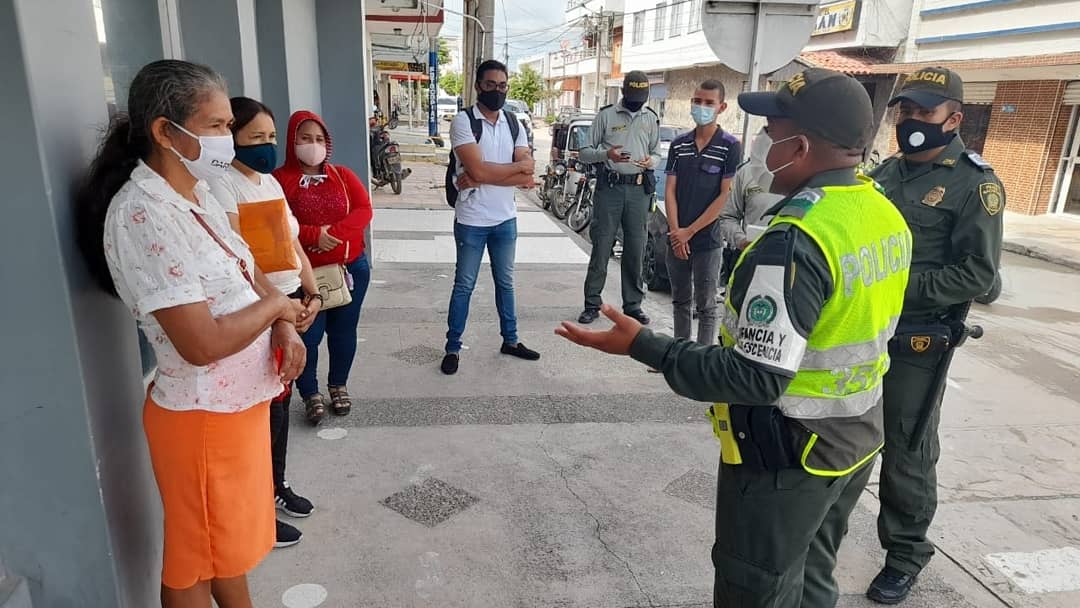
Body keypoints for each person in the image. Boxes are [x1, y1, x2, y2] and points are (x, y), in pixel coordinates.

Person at [557, 68, 914, 608]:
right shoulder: (882, 212)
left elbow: (756, 375)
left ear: (803, 144)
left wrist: (643, 345)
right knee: (812, 573)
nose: (766, 137)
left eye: (774, 126)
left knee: (757, 587)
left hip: (790, 452)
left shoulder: (798, 236)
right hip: (857, 438)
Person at [74, 59, 305, 608]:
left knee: (224, 549)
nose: (230, 139)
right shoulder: (142, 214)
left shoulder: (198, 197)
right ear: (164, 131)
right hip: (202, 419)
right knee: (192, 562)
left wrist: (280, 325)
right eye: (219, 126)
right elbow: (199, 343)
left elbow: (247, 278)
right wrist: (278, 304)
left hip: (237, 409)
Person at [865, 67, 1004, 604]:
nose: (912, 123)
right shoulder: (884, 175)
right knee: (845, 432)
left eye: (925, 113)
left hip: (919, 342)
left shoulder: (976, 184)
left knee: (907, 451)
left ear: (954, 118)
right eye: (907, 113)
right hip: (863, 332)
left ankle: (904, 555)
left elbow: (979, 275)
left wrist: (896, 289)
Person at [208, 97, 319, 549]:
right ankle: (257, 511)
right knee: (262, 411)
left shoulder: (269, 183)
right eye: (255, 138)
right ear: (231, 138)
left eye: (271, 137)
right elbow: (242, 261)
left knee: (279, 404)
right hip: (258, 309)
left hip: (288, 303)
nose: (266, 146)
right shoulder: (223, 187)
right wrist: (278, 313)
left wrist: (311, 295)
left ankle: (275, 487)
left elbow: (292, 247)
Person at [273, 110, 373, 424]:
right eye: (305, 138)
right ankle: (310, 392)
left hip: (350, 270)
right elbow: (275, 223)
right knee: (309, 336)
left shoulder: (341, 175)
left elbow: (363, 209)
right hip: (305, 277)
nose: (312, 145)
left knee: (344, 332)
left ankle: (338, 384)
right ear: (292, 141)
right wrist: (314, 234)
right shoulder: (278, 181)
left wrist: (335, 235)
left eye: (318, 139)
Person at [441, 59, 540, 375]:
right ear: (477, 86)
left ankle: (510, 340)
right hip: (471, 219)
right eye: (490, 85)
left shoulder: (514, 123)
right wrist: (495, 171)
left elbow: (527, 177)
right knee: (464, 285)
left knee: (506, 283)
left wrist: (483, 174)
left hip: (505, 219)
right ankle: (453, 348)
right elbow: (485, 168)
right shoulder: (463, 121)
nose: (497, 91)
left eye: (502, 85)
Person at [576, 70, 661, 326]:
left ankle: (633, 305)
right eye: (633, 95)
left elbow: (657, 152)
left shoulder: (650, 118)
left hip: (638, 190)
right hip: (610, 190)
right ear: (624, 92)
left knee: (636, 249)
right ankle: (592, 303)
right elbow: (584, 152)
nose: (637, 101)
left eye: (641, 96)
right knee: (602, 247)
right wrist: (607, 155)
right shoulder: (606, 115)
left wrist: (651, 161)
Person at [664, 79, 741, 344]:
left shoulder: (730, 146)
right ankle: (679, 354)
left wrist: (690, 232)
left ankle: (702, 361)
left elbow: (724, 195)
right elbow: (670, 190)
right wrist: (676, 233)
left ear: (722, 107)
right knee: (680, 300)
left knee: (706, 306)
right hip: (676, 237)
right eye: (697, 101)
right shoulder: (679, 144)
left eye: (709, 103)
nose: (702, 107)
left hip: (707, 240)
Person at [717, 127, 786, 286]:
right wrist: (741, 241)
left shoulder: (810, 178)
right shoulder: (746, 173)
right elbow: (727, 216)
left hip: (793, 270)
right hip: (750, 264)